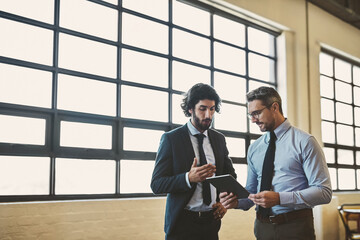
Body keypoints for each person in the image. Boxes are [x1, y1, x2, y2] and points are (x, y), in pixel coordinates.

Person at [220, 86, 332, 240]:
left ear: (274, 107)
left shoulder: (305, 142)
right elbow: (251, 193)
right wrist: (235, 202)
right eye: (250, 115)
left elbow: (324, 192)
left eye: (256, 113)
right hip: (262, 227)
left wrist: (280, 198)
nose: (253, 120)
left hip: (295, 227)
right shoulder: (254, 148)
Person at [151, 83, 237, 240]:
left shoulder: (219, 139)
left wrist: (223, 202)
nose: (208, 115)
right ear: (190, 108)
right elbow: (157, 184)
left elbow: (230, 177)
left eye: (212, 109)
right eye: (202, 109)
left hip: (211, 223)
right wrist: (188, 178)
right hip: (181, 224)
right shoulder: (171, 139)